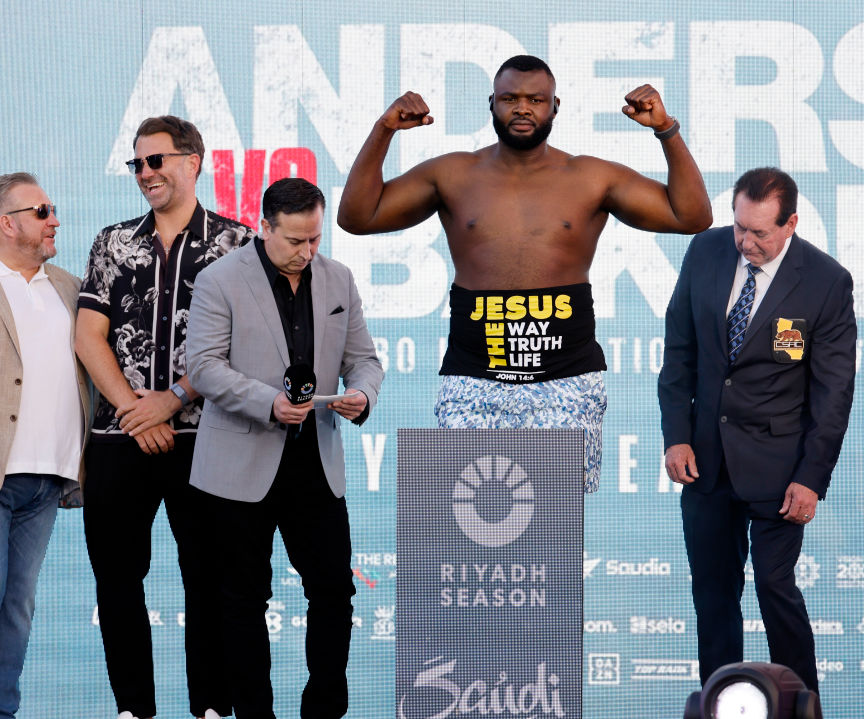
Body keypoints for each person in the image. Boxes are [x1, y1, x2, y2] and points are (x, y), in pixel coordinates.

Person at [338, 54, 711, 493]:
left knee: (554, 518)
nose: (522, 108)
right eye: (510, 98)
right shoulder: (453, 173)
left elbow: (691, 216)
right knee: (466, 514)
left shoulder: (591, 176)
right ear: (491, 103)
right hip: (474, 378)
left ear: (555, 106)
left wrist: (666, 130)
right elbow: (358, 217)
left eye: (536, 99)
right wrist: (384, 130)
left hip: (565, 379)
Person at [75, 115, 255, 719]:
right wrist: (138, 411)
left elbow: (242, 345)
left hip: (206, 438)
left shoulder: (237, 243)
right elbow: (88, 335)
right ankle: (133, 709)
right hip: (118, 436)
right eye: (137, 164)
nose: (145, 173)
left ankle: (212, 706)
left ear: (192, 161)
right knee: (116, 579)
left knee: (209, 577)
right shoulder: (112, 242)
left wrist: (172, 400)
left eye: (156, 160)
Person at [186, 177, 383, 719]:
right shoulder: (219, 279)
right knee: (242, 600)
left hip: (316, 462)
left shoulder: (339, 278)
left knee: (334, 592)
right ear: (265, 227)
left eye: (315, 238)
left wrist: (362, 393)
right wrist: (267, 402)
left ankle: (324, 710)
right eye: (296, 240)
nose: (307, 251)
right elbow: (203, 367)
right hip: (237, 465)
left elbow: (364, 360)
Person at [658, 167, 856, 693]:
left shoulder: (826, 281)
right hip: (705, 464)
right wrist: (676, 435)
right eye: (739, 227)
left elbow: (833, 394)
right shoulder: (705, 251)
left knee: (775, 589)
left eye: (760, 233)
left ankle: (802, 704)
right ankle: (721, 703)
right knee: (713, 596)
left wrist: (811, 478)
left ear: (790, 224)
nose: (746, 242)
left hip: (781, 470)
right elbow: (678, 352)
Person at [0, 173, 89, 719]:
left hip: (48, 480)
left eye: (52, 209)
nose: (54, 219)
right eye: (40, 211)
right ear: (6, 224)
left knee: (18, 608)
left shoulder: (71, 289)